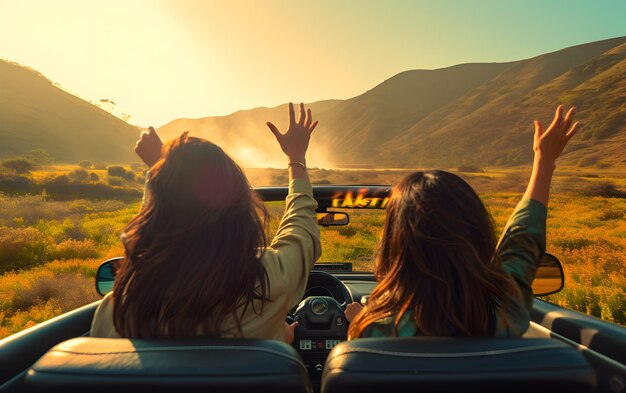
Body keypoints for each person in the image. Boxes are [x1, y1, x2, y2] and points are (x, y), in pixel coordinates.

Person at [90, 103, 321, 342]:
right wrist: (296, 158)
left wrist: (165, 171)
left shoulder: (120, 308)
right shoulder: (269, 280)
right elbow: (300, 226)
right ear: (241, 215)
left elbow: (164, 216)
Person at [346, 105, 579, 338]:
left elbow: (523, 240)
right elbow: (523, 238)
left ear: (394, 244)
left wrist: (361, 319)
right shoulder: (505, 312)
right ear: (478, 235)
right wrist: (544, 160)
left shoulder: (373, 331)